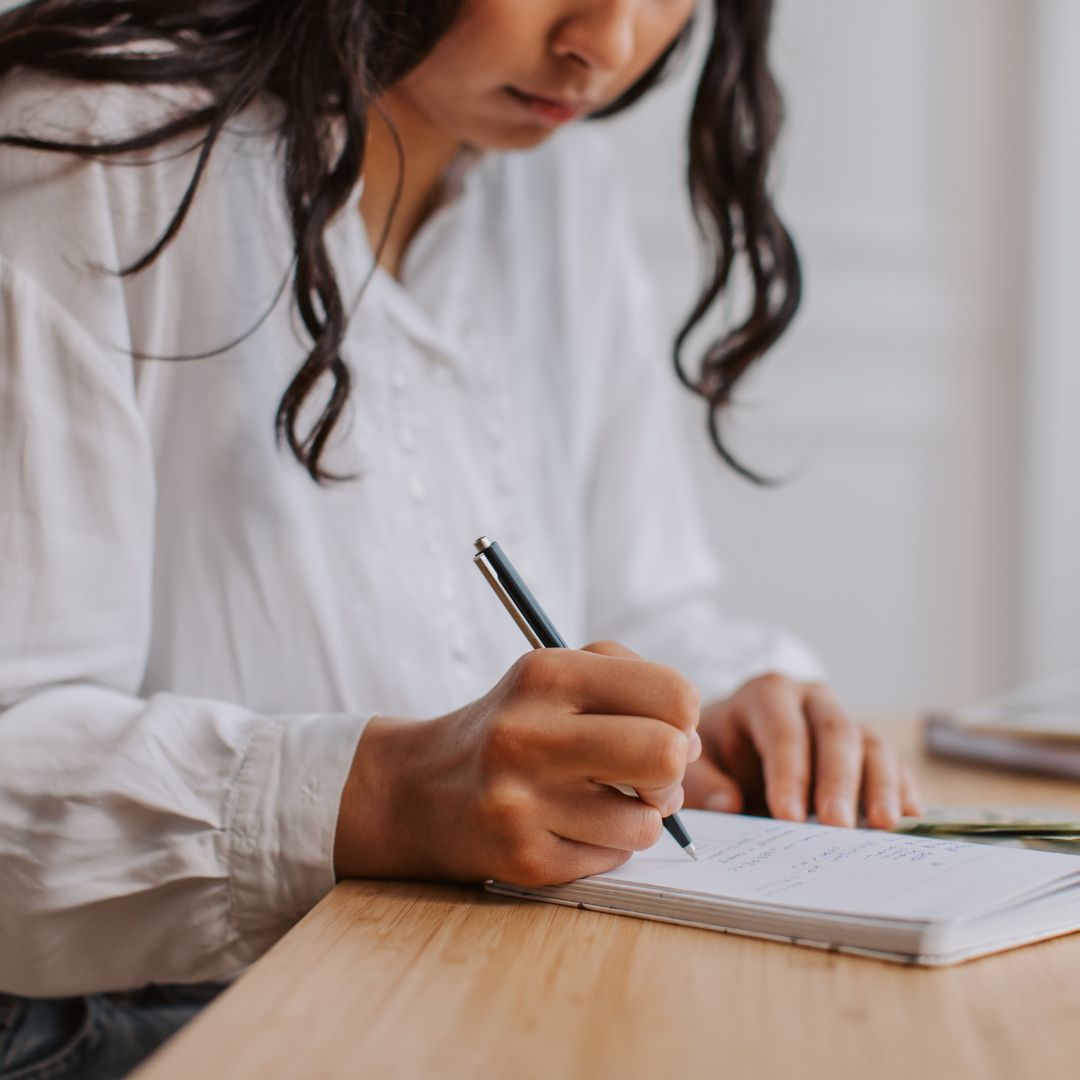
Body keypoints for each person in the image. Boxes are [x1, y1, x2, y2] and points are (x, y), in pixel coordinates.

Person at [0, 1, 920, 1076]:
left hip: (461, 985)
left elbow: (644, 601)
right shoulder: (76, 149)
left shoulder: (553, 179)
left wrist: (714, 712)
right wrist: (381, 795)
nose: (607, 47)